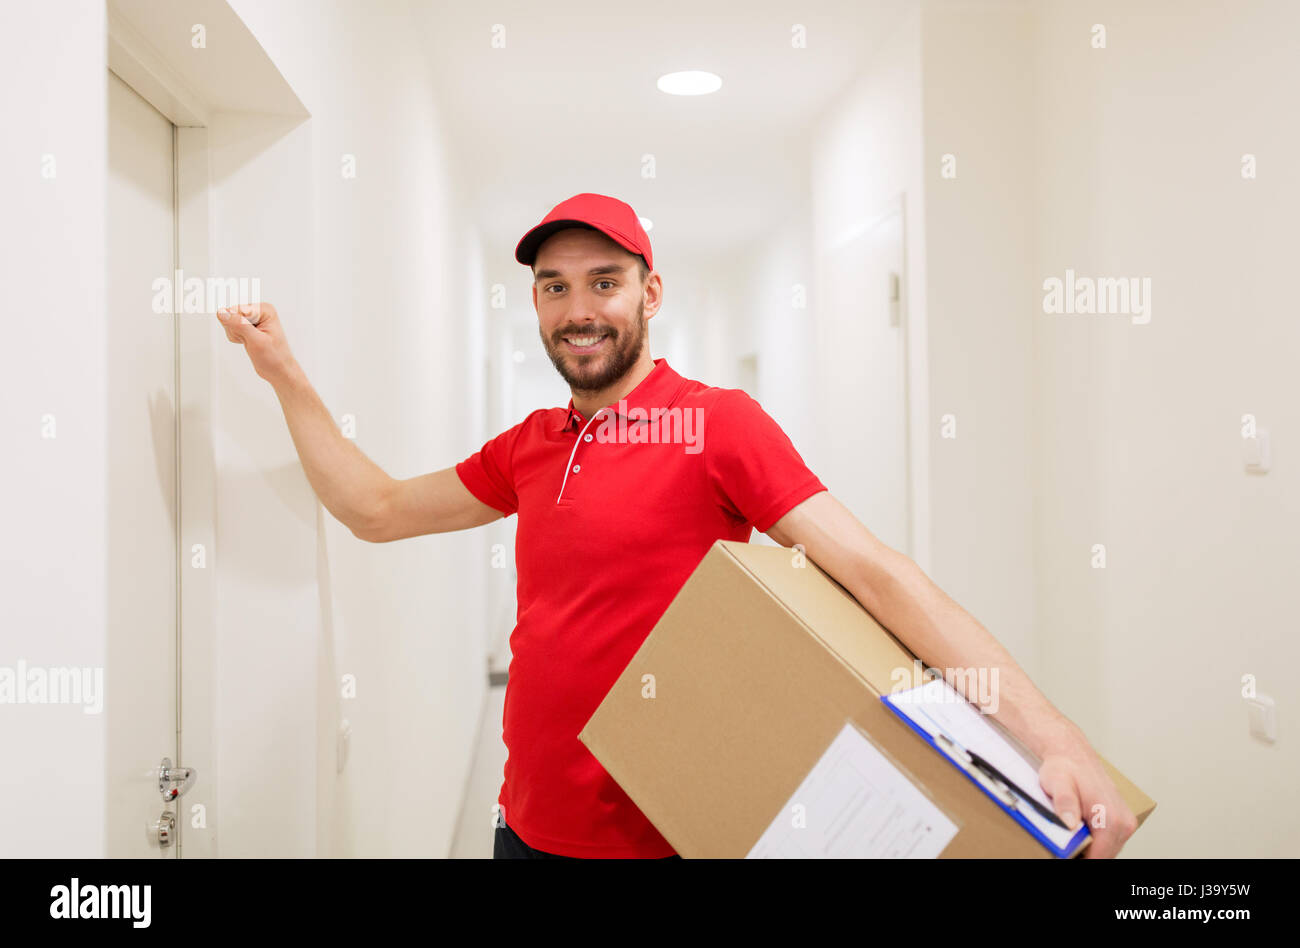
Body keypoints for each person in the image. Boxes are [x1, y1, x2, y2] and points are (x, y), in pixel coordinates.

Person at [216, 192, 1138, 860]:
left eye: (604, 282)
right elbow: (376, 510)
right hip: (526, 832)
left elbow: (875, 573)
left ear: (650, 295)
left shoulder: (716, 423)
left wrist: (1051, 738)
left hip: (673, 837)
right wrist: (284, 375)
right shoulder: (530, 446)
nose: (578, 310)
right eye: (553, 287)